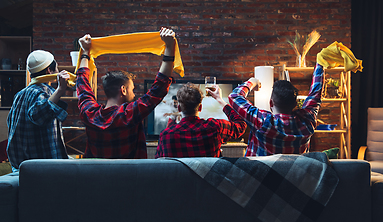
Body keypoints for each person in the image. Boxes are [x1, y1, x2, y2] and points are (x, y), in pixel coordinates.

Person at [76, 27, 176, 158]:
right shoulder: (129, 114)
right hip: (130, 177)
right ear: (123, 90)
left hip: (98, 177)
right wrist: (170, 46)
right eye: (132, 89)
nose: (134, 94)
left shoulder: (89, 114)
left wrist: (85, 52)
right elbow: (159, 88)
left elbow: (82, 84)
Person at [228, 63, 324, 156]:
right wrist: (320, 64)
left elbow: (234, 96)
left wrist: (251, 82)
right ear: (295, 104)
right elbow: (316, 93)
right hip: (293, 172)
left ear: (270, 102)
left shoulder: (262, 121)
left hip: (261, 172)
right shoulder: (307, 121)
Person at [7, 50, 71, 172]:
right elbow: (38, 116)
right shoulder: (43, 92)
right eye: (56, 67)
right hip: (42, 168)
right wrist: (60, 90)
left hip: (21, 165)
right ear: (49, 71)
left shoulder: (20, 94)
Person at [155, 82, 247, 158]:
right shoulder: (215, 127)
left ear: (179, 108)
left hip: (179, 180)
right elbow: (241, 125)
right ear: (200, 107)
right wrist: (220, 100)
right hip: (209, 180)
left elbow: (159, 164)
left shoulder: (166, 135)